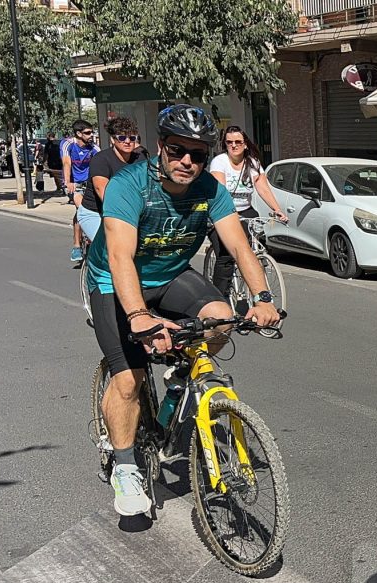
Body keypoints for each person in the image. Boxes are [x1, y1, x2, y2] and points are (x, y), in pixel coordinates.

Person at [86, 105, 282, 515]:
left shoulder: (210, 189)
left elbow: (239, 246)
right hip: (113, 281)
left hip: (171, 274)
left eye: (198, 153)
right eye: (178, 150)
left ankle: (180, 377)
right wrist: (139, 316)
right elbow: (120, 258)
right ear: (161, 146)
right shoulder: (129, 186)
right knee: (129, 379)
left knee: (220, 317)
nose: (187, 161)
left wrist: (263, 297)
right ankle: (126, 466)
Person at [207, 126, 288, 303]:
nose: (234, 145)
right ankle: (219, 300)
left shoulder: (253, 163)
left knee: (253, 248)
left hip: (245, 210)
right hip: (221, 211)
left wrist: (277, 210)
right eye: (229, 142)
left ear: (245, 144)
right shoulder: (220, 162)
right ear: (225, 144)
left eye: (238, 142)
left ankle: (256, 288)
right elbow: (221, 191)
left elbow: (263, 188)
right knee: (226, 255)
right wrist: (230, 216)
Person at [78, 116, 146, 247]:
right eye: (122, 138)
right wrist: (126, 212)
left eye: (132, 138)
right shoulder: (101, 159)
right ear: (113, 140)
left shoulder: (140, 158)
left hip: (129, 210)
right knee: (112, 247)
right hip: (95, 212)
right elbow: (102, 190)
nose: (127, 142)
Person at [63, 120, 101, 263]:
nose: (91, 135)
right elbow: (66, 162)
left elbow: (102, 162)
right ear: (78, 134)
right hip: (74, 184)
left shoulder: (94, 148)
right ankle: (77, 246)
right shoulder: (68, 144)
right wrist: (68, 182)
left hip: (90, 184)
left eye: (92, 132)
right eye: (87, 133)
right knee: (82, 209)